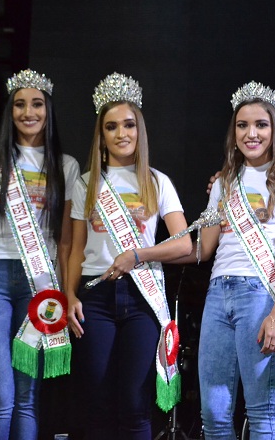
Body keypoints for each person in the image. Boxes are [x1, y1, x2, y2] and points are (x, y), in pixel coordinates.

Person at [65, 72, 192, 440]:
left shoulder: (157, 181)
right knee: (98, 402)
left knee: (136, 403)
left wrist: (137, 255)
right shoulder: (86, 182)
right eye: (112, 126)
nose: (122, 133)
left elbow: (184, 243)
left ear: (140, 130)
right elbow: (74, 248)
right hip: (95, 297)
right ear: (101, 135)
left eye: (129, 125)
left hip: (142, 297)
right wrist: (70, 294)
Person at [0, 69, 79, 440]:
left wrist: (65, 294)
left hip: (39, 283)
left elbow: (67, 242)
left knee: (27, 397)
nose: (29, 112)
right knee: (1, 394)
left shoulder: (66, 166)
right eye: (20, 105)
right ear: (10, 112)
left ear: (48, 110)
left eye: (37, 104)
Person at [184, 81, 275, 439]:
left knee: (260, 410)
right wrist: (143, 252)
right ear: (233, 131)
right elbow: (204, 249)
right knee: (214, 412)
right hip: (216, 294)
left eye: (260, 125)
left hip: (260, 295)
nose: (251, 133)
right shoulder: (224, 183)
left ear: (274, 130)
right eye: (242, 125)